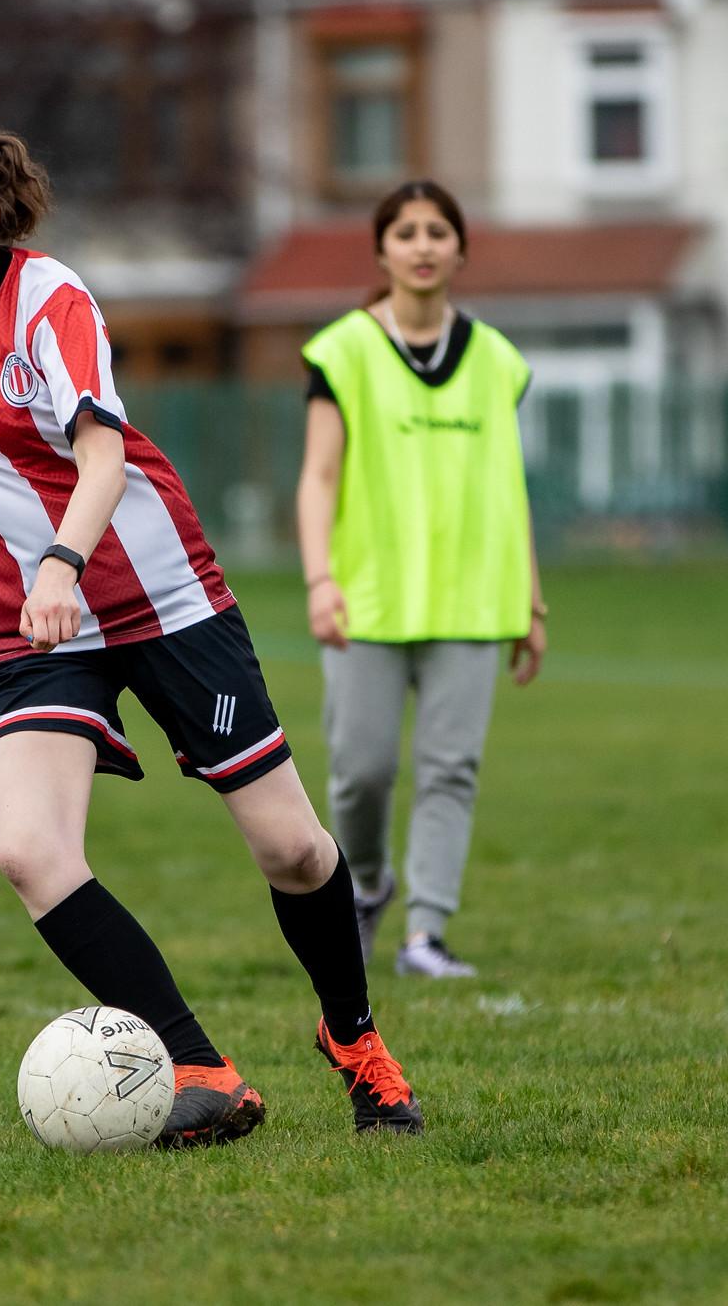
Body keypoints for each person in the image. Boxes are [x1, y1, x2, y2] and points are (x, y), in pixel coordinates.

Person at [0, 112, 422, 1143]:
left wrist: (62, 559)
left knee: (292, 849)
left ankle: (356, 1041)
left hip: (156, 593)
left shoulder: (50, 299)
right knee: (29, 854)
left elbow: (101, 457)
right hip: (26, 627)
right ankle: (200, 1066)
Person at [295, 180, 546, 978]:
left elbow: (510, 486)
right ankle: (368, 884)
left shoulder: (498, 360)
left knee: (449, 768)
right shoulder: (341, 350)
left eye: (439, 230)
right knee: (359, 769)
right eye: (406, 232)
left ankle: (424, 936)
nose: (424, 244)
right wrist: (318, 579)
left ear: (460, 250)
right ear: (382, 251)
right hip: (366, 600)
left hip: (473, 600)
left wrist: (530, 601)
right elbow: (317, 478)